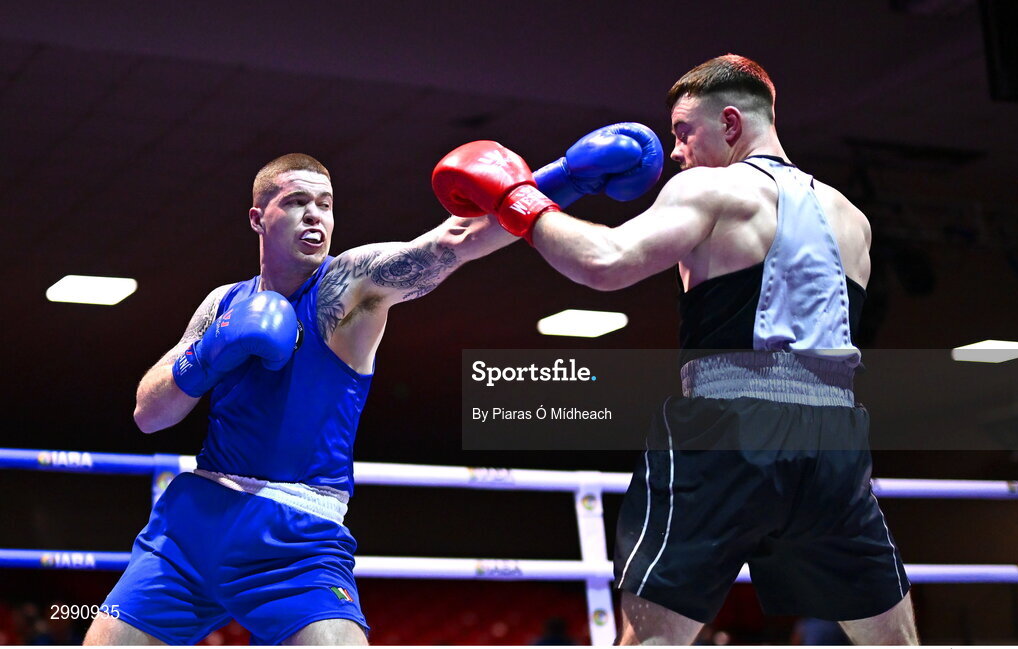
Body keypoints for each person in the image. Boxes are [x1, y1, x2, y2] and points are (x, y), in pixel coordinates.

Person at [83, 141, 660, 646]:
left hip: (295, 539)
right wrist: (208, 353)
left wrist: (566, 177)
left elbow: (452, 241)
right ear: (258, 219)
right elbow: (148, 414)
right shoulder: (221, 304)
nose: (316, 215)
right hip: (191, 526)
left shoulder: (347, 285)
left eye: (326, 204)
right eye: (297, 202)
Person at [433, 55, 920, 645]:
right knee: (893, 643)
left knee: (652, 640)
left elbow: (604, 263)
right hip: (834, 440)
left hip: (728, 427)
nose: (675, 152)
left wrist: (519, 199)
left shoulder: (713, 187)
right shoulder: (855, 220)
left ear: (732, 124)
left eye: (684, 132)